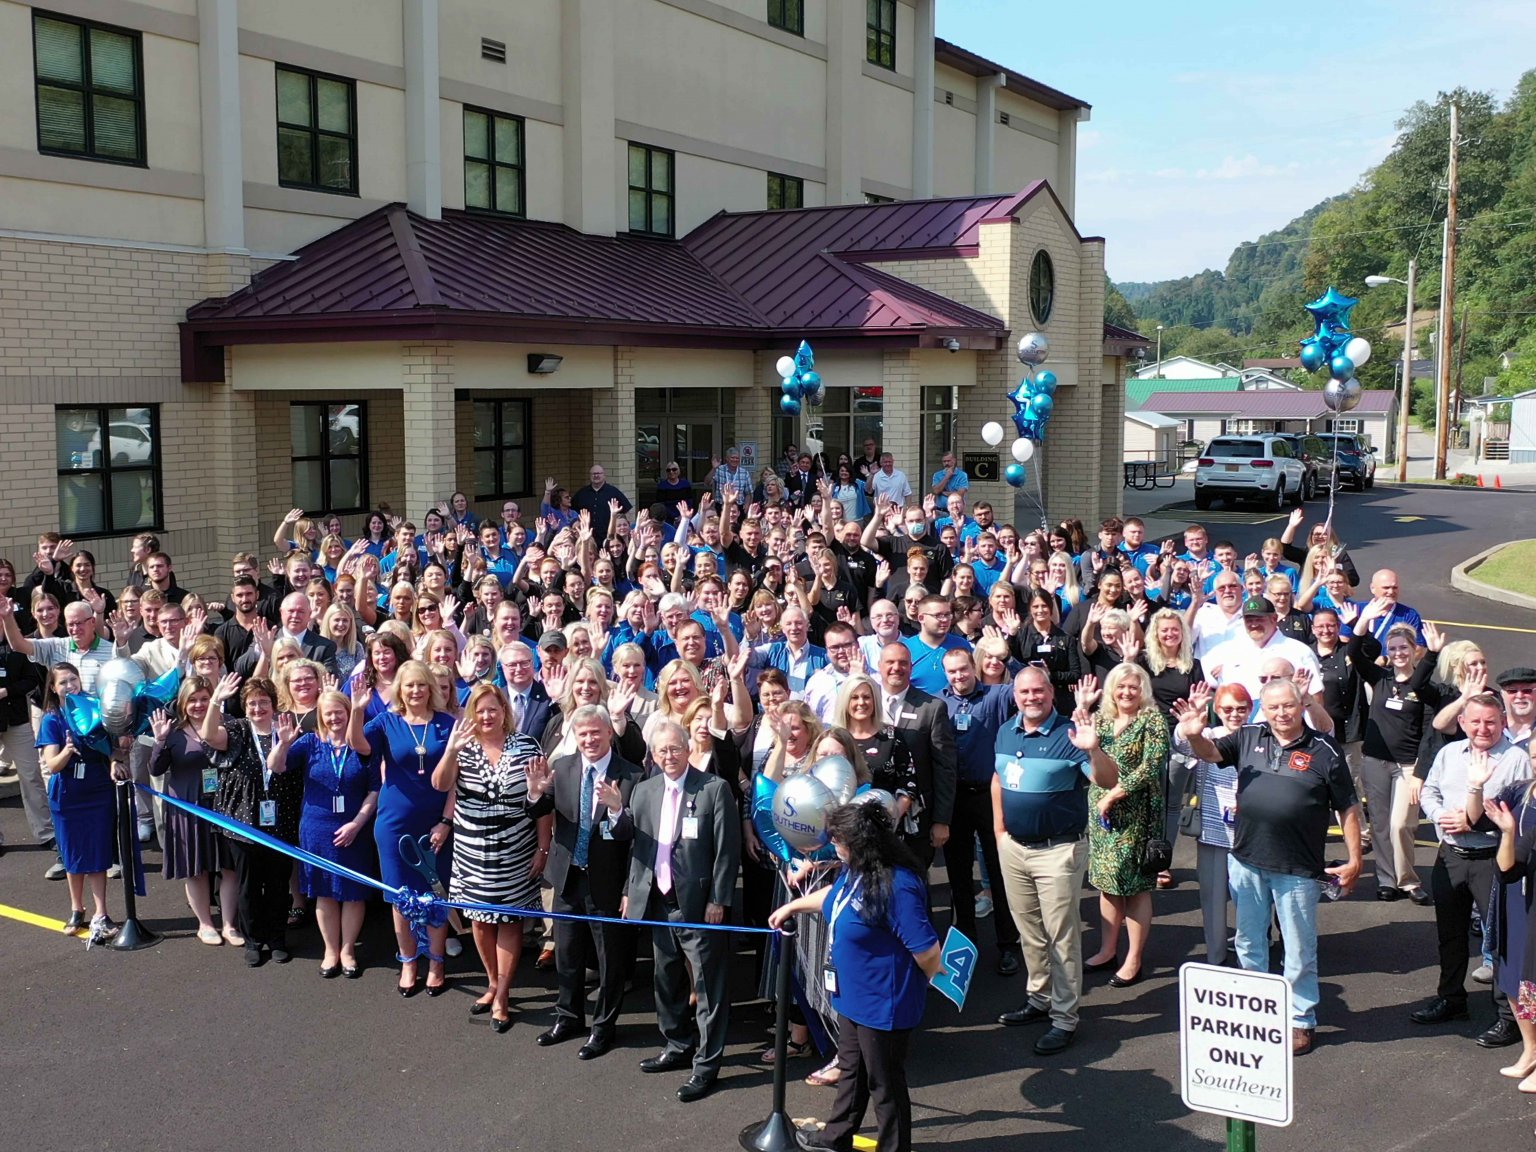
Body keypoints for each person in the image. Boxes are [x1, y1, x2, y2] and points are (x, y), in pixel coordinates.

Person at [1176, 678, 1363, 1056]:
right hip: (1246, 860)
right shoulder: (1247, 736)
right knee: (1249, 941)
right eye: (1273, 707)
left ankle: (1300, 1019)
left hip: (1297, 869)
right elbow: (1211, 754)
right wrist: (1195, 735)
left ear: (1300, 705)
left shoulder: (1325, 749)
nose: (1281, 714)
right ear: (1265, 708)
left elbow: (1347, 806)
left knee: (1297, 948)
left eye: (1288, 706)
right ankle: (1256, 1009)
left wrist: (1356, 858)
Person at [771, 802, 942, 1152]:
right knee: (852, 1071)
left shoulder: (899, 885)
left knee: (885, 1084)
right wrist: (792, 906)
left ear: (861, 844)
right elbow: (834, 897)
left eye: (840, 842)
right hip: (852, 997)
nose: (835, 848)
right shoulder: (857, 870)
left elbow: (928, 953)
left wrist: (911, 988)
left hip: (884, 1003)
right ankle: (836, 1137)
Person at [993, 668, 1120, 1055]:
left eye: (1039, 691)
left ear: (1052, 693)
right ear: (1015, 695)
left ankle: (1065, 1018)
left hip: (1058, 850)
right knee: (1028, 931)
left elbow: (1106, 779)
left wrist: (1093, 749)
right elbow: (997, 781)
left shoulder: (1070, 733)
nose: (1031, 697)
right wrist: (1000, 834)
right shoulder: (1005, 731)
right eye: (1024, 691)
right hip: (1014, 848)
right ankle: (1039, 998)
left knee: (1061, 936)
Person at [624, 719, 741, 1102]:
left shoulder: (714, 789)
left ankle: (706, 1066)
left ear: (687, 748)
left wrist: (719, 899)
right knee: (666, 979)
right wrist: (630, 893)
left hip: (698, 905)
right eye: (662, 751)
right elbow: (637, 850)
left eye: (675, 748)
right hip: (658, 904)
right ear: (653, 756)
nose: (669, 756)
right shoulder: (643, 791)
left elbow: (727, 850)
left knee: (708, 988)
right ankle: (677, 1046)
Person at [1411, 692, 1532, 1050]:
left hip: (1492, 860)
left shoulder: (1515, 760)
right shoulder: (1449, 754)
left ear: (1503, 722)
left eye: (1491, 722)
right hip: (1450, 856)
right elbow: (1430, 792)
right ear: (1462, 722)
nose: (1483, 728)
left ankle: (1507, 1017)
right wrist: (1440, 817)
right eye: (1475, 721)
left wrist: (1474, 822)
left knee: (1500, 940)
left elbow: (1523, 815)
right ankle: (1451, 998)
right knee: (1450, 934)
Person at [434, 683, 551, 1033]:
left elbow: (542, 804)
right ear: (472, 713)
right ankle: (492, 983)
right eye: (480, 710)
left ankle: (502, 995)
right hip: (471, 852)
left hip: (515, 851)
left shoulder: (527, 746)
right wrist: (451, 751)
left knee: (509, 922)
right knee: (480, 922)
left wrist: (542, 847)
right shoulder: (462, 747)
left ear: (504, 712)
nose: (487, 716)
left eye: (493, 709)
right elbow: (441, 785)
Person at [524, 704, 639, 1059]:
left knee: (609, 962)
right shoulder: (562, 768)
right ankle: (569, 1016)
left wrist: (618, 810)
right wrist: (533, 793)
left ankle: (603, 1027)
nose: (589, 739)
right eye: (582, 733)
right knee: (567, 954)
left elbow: (634, 837)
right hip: (568, 877)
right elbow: (540, 810)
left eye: (595, 732)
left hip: (607, 882)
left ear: (608, 733)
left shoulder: (632, 775)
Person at [348, 659, 456, 996]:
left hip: (435, 824)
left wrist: (446, 821)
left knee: (435, 893)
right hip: (394, 823)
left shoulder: (447, 724)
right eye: (409, 685)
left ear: (430, 688)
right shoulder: (386, 722)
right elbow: (358, 746)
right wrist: (356, 711)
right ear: (400, 690)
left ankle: (436, 962)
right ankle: (409, 961)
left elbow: (455, 781)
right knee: (402, 897)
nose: (416, 691)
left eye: (421, 684)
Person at [266, 682, 375, 977]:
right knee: (324, 892)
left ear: (348, 712)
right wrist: (285, 742)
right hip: (316, 828)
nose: (334, 718)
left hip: (354, 828)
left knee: (353, 892)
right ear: (320, 716)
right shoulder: (310, 743)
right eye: (328, 713)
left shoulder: (361, 745)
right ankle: (330, 950)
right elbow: (275, 766)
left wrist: (357, 823)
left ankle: (348, 949)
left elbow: (374, 790)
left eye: (339, 712)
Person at [1346, 604, 1442, 904]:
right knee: (1381, 823)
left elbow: (1430, 732)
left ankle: (1409, 880)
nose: (1398, 653)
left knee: (1402, 824)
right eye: (1393, 647)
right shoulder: (1380, 678)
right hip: (1375, 761)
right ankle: (1387, 879)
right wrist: (1362, 621)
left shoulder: (1424, 687)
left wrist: (1421, 773)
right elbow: (1354, 652)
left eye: (1404, 647)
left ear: (1415, 650)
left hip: (1407, 765)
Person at [1082, 664, 1170, 987]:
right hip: (1102, 811)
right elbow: (1087, 756)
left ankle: (1133, 958)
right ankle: (1107, 950)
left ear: (1142, 689)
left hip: (1136, 811)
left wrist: (1115, 795)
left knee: (1134, 885)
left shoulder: (1152, 720)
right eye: (1121, 686)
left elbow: (1151, 767)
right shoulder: (1101, 719)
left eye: (1133, 687)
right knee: (1107, 881)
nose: (1126, 693)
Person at [938, 647, 1021, 975]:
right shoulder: (938, 703)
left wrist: (1009, 655)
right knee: (958, 876)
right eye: (952, 672)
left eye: (963, 669)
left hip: (990, 795)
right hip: (954, 798)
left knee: (1000, 874)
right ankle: (965, 945)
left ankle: (1007, 944)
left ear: (974, 668)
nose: (958, 676)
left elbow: (1034, 684)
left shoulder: (997, 695)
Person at [212, 673, 303, 968]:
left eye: (263, 702)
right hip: (243, 821)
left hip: (281, 818)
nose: (257, 708)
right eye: (252, 703)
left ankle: (277, 938)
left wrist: (286, 742)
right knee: (248, 885)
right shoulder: (236, 729)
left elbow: (282, 767)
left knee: (278, 883)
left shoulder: (285, 728)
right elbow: (209, 735)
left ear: (274, 705)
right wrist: (216, 699)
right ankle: (253, 940)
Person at [149, 675, 243, 948]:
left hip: (224, 804)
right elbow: (155, 769)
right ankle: (204, 923)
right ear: (182, 702)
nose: (199, 705)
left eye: (204, 698)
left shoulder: (225, 724)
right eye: (193, 700)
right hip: (187, 808)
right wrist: (159, 741)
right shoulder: (174, 730)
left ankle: (229, 924)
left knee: (229, 866)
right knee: (196, 868)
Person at [37, 663, 119, 941]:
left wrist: (114, 760)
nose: (69, 685)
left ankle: (101, 912)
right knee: (73, 855)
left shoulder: (95, 707)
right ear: (53, 688)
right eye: (63, 682)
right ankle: (76, 908)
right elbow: (52, 764)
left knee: (97, 854)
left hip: (98, 790)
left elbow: (111, 745)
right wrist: (69, 750)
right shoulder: (52, 718)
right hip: (68, 795)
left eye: (73, 679)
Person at [876, 644, 955, 870]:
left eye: (903, 663)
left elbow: (945, 768)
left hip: (917, 819)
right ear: (880, 666)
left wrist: (941, 820)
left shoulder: (932, 708)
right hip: (873, 817)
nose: (896, 668)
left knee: (914, 888)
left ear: (911, 668)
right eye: (890, 662)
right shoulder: (864, 703)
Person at [1485, 778, 1536, 1086]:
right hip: (1520, 900)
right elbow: (1507, 870)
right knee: (1516, 977)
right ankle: (1531, 1051)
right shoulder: (1522, 792)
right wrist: (1506, 831)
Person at [572, 464, 631, 541]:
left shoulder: (613, 492)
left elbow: (627, 511)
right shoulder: (582, 493)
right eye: (593, 474)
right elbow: (571, 511)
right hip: (587, 537)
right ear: (590, 476)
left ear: (604, 475)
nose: (596, 475)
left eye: (598, 473)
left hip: (608, 538)